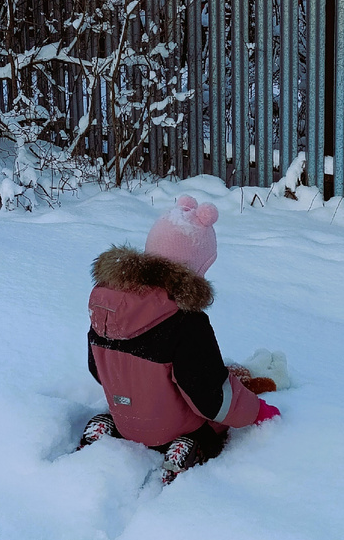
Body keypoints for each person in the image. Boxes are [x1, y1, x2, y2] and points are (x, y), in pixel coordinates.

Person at [79, 195, 279, 482]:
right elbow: (211, 397)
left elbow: (97, 369)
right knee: (212, 426)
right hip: (172, 427)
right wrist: (257, 411)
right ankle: (189, 445)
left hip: (125, 418)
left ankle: (109, 426)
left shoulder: (106, 304)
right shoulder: (186, 321)